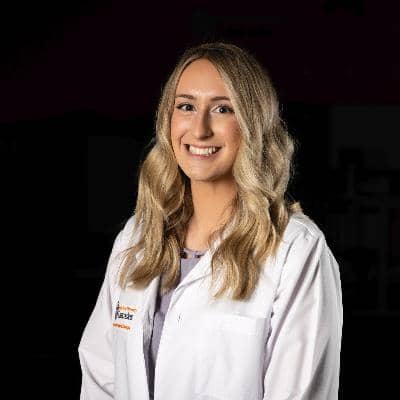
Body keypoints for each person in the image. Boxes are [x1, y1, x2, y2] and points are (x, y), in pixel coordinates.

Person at [78, 42, 343, 400]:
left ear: (252, 123)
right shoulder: (137, 238)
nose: (200, 129)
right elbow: (100, 376)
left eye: (222, 109)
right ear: (167, 119)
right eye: (186, 106)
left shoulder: (294, 250)